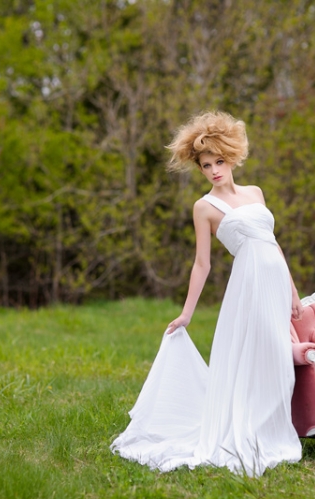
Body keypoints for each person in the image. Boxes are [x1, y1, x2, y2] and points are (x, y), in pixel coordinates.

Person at [110, 111, 303, 476]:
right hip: (248, 285)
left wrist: (293, 291)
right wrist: (186, 314)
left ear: (231, 158)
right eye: (205, 166)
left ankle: (273, 429)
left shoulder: (256, 193)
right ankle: (246, 432)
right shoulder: (204, 207)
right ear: (199, 169)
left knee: (276, 357)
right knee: (253, 356)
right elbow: (203, 264)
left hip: (275, 283)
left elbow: (273, 244)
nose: (214, 170)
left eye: (218, 161)